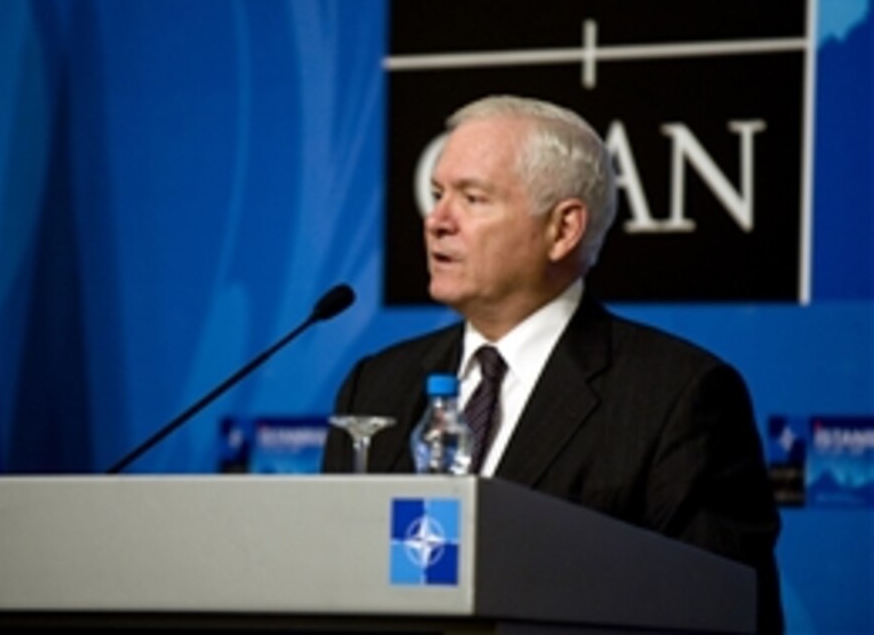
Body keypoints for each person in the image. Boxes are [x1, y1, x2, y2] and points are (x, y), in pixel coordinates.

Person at [322, 95, 783, 634]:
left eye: (473, 198)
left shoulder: (678, 398)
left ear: (562, 230)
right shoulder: (376, 386)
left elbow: (722, 619)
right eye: (437, 194)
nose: (437, 221)